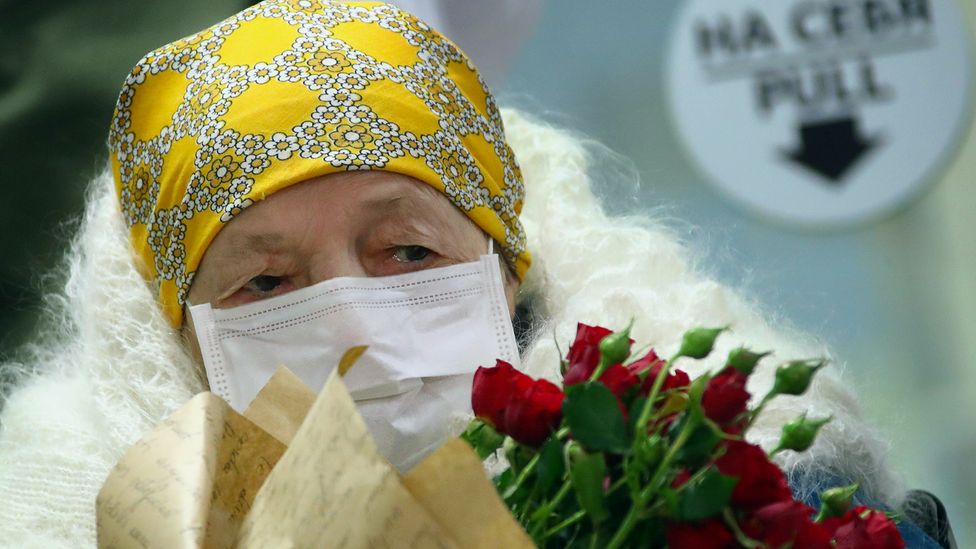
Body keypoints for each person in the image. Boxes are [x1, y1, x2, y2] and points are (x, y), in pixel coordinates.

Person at [0, 1, 953, 547]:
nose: (353, 325)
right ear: (185, 343)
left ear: (507, 271)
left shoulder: (742, 465)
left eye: (406, 251)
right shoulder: (57, 516)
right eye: (266, 283)